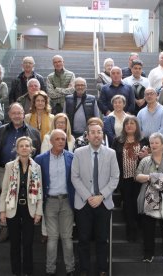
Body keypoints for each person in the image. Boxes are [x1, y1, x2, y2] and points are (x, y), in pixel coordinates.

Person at [71, 118, 120, 276]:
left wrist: (101, 196)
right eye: (93, 132)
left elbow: (115, 178)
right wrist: (88, 197)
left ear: (102, 134)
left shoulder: (111, 153)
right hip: (83, 203)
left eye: (99, 132)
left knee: (102, 239)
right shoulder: (78, 153)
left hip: (104, 203)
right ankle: (84, 270)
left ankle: (102, 270)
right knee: (83, 239)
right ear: (87, 136)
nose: (96, 135)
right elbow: (75, 177)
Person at [0, 103, 41, 242]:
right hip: (5, 168)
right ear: (9, 115)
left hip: (26, 168)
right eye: (13, 113)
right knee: (6, 193)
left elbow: (36, 151)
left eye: (19, 113)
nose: (16, 116)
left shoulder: (33, 132)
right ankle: (5, 226)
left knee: (23, 195)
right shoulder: (1, 130)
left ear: (23, 114)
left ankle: (23, 224)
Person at [0, 136, 43, 276]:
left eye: (27, 145)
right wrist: (2, 210)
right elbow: (5, 190)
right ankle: (16, 272)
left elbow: (40, 191)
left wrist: (39, 212)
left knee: (28, 243)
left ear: (31, 149)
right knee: (15, 243)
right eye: (21, 146)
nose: (24, 148)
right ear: (17, 149)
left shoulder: (37, 167)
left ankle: (28, 272)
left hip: (30, 208)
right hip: (13, 208)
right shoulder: (9, 166)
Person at [35, 129, 76, 276]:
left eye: (63, 139)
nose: (60, 141)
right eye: (57, 139)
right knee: (52, 238)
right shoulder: (40, 159)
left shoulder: (72, 157)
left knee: (67, 238)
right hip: (50, 201)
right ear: (51, 141)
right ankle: (50, 270)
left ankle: (70, 270)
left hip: (67, 201)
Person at [135, 132, 163, 262]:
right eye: (151, 143)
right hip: (148, 198)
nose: (153, 145)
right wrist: (152, 177)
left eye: (156, 143)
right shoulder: (145, 160)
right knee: (148, 228)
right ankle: (148, 254)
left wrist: (150, 179)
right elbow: (137, 176)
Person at [111, 116, 149, 241]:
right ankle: (131, 232)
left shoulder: (144, 140)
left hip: (140, 179)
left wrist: (145, 156)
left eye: (132, 123)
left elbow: (151, 160)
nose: (129, 125)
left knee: (139, 204)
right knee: (128, 205)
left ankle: (141, 229)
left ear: (137, 126)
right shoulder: (117, 141)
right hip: (124, 179)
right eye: (126, 124)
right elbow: (112, 159)